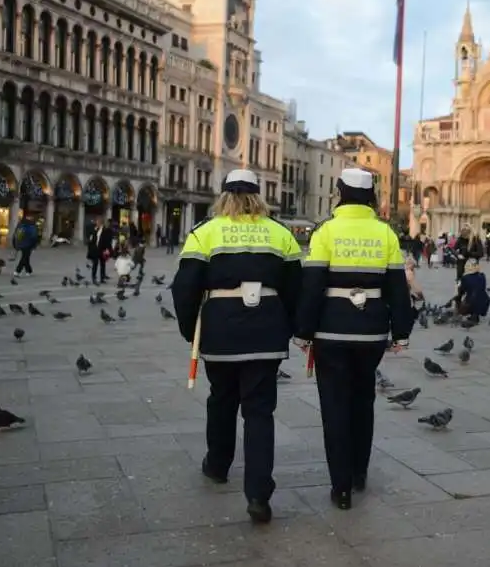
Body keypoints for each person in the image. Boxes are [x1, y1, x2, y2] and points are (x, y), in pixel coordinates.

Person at [171, 169, 302, 524]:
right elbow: (295, 289)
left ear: (224, 195)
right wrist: (288, 326)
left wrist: (190, 330)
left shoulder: (204, 233)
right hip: (266, 332)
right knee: (259, 411)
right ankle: (259, 494)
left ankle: (217, 464)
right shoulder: (281, 234)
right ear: (258, 196)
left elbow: (184, 288)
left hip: (220, 331)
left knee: (222, 399)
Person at [294, 168, 414, 511]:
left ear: (340, 193)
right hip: (372, 330)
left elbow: (312, 285)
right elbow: (397, 288)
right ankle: (359, 472)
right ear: (371, 196)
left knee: (334, 406)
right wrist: (401, 332)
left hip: (331, 329)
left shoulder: (326, 231)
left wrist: (303, 331)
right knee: (363, 401)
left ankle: (341, 486)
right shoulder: (385, 233)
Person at [86, 217, 114, 284]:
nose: (97, 223)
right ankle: (94, 277)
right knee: (95, 264)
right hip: (95, 249)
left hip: (102, 249)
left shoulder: (106, 230)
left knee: (102, 264)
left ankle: (102, 278)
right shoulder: (93, 229)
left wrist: (107, 249)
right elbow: (90, 239)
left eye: (98, 222)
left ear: (101, 223)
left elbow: (108, 241)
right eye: (96, 222)